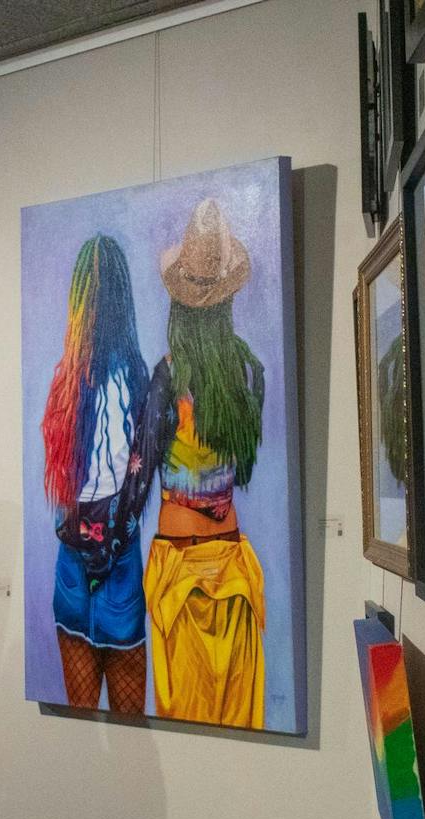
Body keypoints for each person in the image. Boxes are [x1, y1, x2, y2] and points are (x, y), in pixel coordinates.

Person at [143, 199, 268, 728]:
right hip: (234, 563)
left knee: (185, 724)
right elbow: (242, 469)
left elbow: (141, 468)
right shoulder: (250, 375)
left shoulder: (165, 379)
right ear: (226, 305)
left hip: (176, 568)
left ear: (178, 306)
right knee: (239, 722)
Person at [40, 234, 157, 713]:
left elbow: (67, 481)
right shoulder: (136, 374)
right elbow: (137, 476)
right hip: (119, 554)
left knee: (78, 720)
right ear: (123, 297)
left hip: (72, 554)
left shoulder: (63, 381)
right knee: (128, 722)